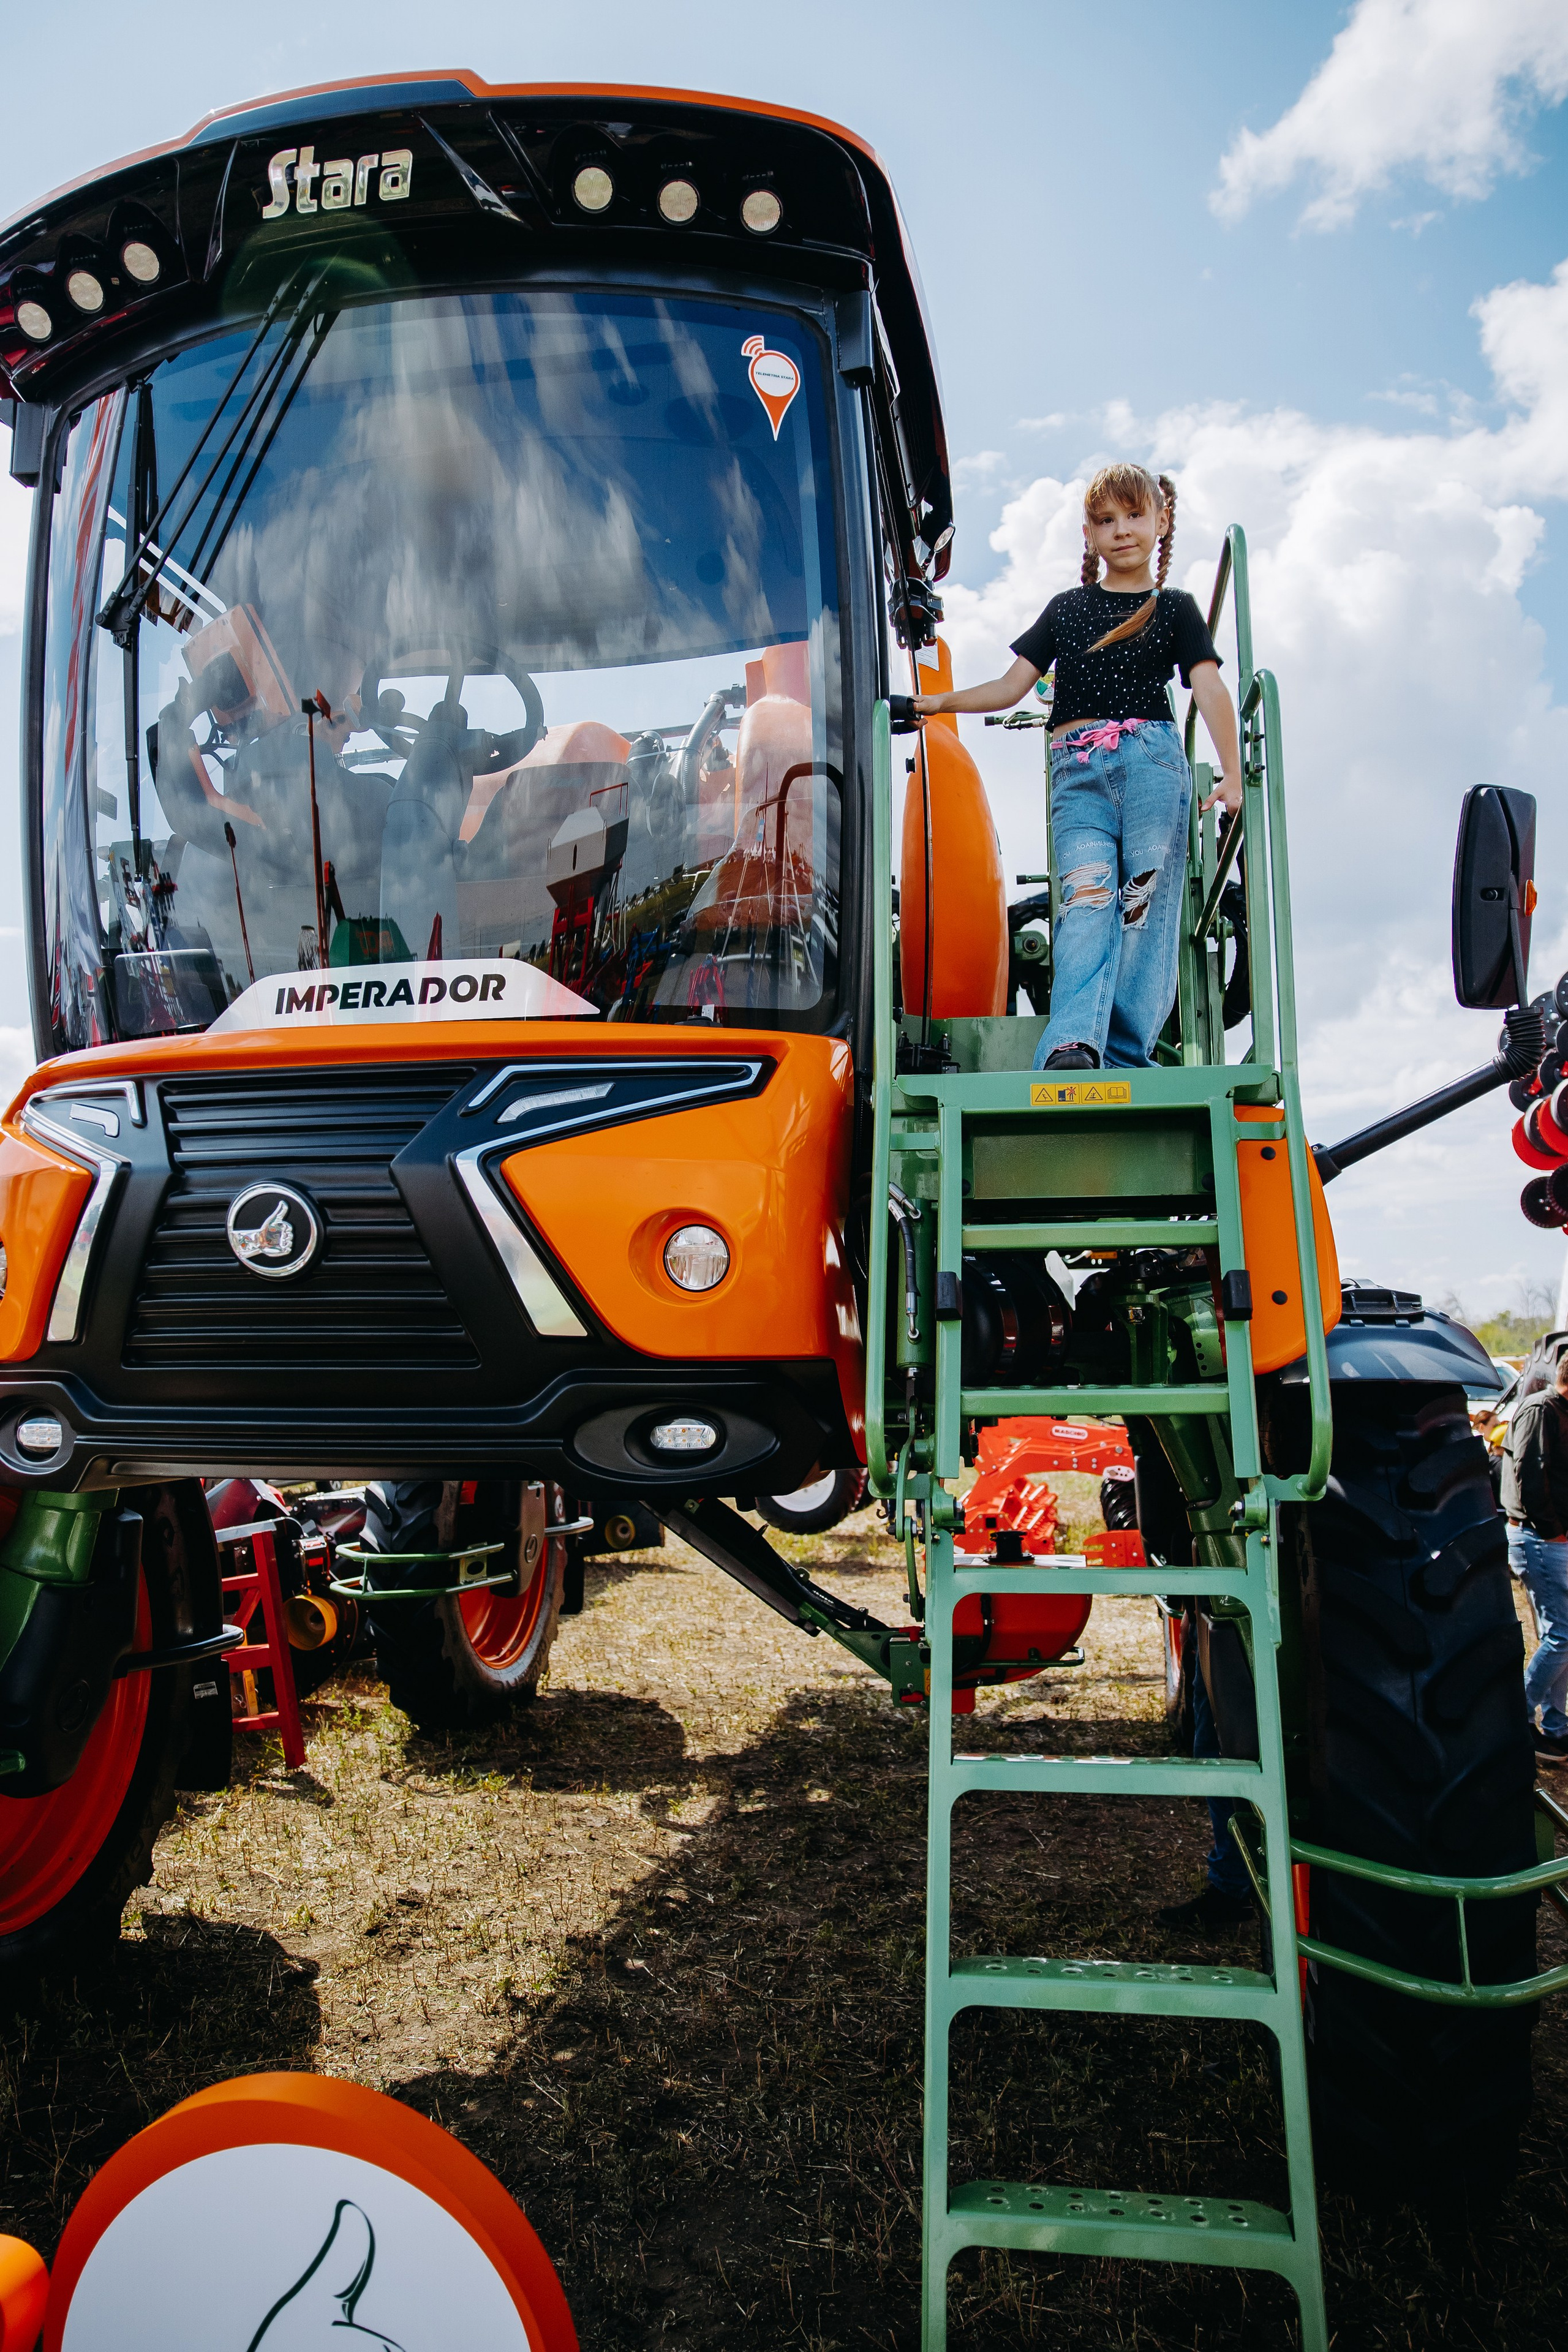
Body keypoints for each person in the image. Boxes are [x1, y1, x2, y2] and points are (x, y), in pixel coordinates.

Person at [911, 464, 1241, 1071]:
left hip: (1150, 763)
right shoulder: (1066, 609)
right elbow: (1010, 686)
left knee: (1143, 906)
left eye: (1135, 516)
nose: (1122, 531)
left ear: (1161, 522)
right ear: (1088, 535)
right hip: (1078, 772)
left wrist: (1232, 774)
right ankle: (1073, 1043)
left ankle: (1124, 1052)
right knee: (1086, 900)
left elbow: (1209, 686)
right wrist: (937, 702)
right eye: (1107, 520)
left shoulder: (1174, 609)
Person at [1501, 1346, 1568, 1763]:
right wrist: (1554, 1531)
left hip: (1552, 1539)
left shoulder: (1561, 1411)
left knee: (1559, 1638)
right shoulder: (1542, 1409)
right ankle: (1516, 1719)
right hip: (1539, 1538)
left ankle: (1556, 1727)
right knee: (1564, 1635)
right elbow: (1529, 1473)